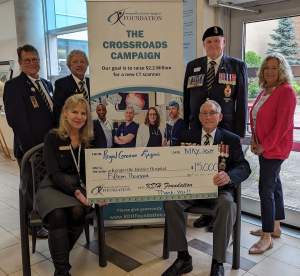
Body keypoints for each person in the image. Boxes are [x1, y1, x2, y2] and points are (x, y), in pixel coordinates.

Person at [162, 100, 251, 276]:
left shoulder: (231, 139)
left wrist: (229, 176)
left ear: (220, 116)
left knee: (227, 205)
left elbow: (243, 166)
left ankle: (217, 262)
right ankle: (183, 258)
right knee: (170, 202)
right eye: (204, 113)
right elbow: (175, 163)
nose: (208, 117)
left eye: (212, 113)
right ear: (200, 117)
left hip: (218, 191)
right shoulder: (185, 136)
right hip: (190, 189)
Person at [184, 26, 248, 230]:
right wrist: (188, 127)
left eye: (216, 41)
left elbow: (241, 100)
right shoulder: (193, 66)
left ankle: (222, 215)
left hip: (225, 128)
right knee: (201, 169)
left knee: (221, 170)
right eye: (209, 41)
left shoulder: (237, 66)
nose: (212, 45)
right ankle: (207, 211)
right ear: (204, 45)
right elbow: (187, 100)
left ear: (224, 43)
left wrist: (238, 134)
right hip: (198, 126)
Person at [36, 95, 108, 276]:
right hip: (54, 185)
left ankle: (60, 264)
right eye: (75, 111)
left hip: (81, 184)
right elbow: (53, 173)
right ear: (65, 113)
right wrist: (74, 192)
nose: (79, 116)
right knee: (58, 214)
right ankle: (62, 271)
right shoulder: (52, 137)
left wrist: (98, 192)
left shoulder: (91, 138)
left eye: (83, 113)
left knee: (77, 213)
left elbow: (98, 168)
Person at [4, 44, 54, 238]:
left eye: (35, 59)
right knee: (31, 188)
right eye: (27, 60)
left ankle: (46, 219)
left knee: (44, 186)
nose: (32, 63)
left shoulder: (46, 84)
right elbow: (16, 121)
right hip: (31, 149)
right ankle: (33, 226)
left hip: (48, 147)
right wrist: (29, 151)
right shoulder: (14, 86)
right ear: (20, 63)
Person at [248, 53, 296, 254]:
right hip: (264, 146)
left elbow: (282, 127)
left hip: (275, 149)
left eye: (274, 67)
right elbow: (257, 117)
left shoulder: (286, 91)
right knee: (274, 186)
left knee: (265, 190)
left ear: (282, 70)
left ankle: (267, 237)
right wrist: (253, 138)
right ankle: (275, 227)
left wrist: (264, 146)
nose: (269, 71)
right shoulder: (266, 90)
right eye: (267, 67)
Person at [53, 50, 90, 124]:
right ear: (69, 66)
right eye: (75, 62)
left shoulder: (91, 83)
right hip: (72, 129)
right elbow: (59, 112)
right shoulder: (61, 84)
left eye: (82, 61)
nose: (79, 65)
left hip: (90, 128)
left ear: (87, 65)